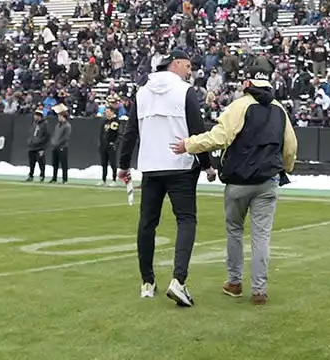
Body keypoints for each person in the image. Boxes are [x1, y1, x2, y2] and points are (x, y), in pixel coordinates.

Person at [171, 62, 297, 305]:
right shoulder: (279, 109)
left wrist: (189, 144)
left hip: (239, 181)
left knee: (235, 231)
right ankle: (259, 291)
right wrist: (285, 167)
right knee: (261, 236)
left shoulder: (240, 106)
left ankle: (235, 282)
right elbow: (290, 147)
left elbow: (220, 137)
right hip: (268, 181)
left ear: (247, 82)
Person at [117, 49, 215, 307]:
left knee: (147, 223)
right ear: (177, 63)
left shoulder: (142, 92)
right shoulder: (185, 92)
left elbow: (130, 133)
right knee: (186, 220)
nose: (190, 70)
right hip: (181, 166)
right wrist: (207, 165)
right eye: (188, 65)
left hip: (151, 166)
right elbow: (197, 131)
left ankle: (147, 282)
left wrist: (123, 165)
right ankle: (178, 280)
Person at [99, 108, 121, 185]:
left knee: (113, 163)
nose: (106, 113)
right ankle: (103, 179)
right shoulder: (104, 122)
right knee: (104, 163)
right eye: (106, 112)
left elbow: (119, 134)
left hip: (111, 146)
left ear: (112, 112)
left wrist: (115, 144)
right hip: (103, 146)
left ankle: (114, 179)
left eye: (108, 111)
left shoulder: (115, 122)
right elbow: (101, 134)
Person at [25, 110, 49, 182]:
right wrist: (30, 141)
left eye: (37, 116)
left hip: (40, 147)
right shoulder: (34, 123)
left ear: (40, 117)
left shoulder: (45, 124)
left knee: (41, 162)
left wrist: (41, 143)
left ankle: (42, 175)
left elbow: (46, 136)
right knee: (31, 162)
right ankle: (31, 175)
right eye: (35, 115)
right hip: (32, 146)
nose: (35, 117)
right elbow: (31, 133)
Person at [49, 108, 71, 183]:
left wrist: (58, 143)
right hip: (55, 147)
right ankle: (54, 178)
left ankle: (65, 179)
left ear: (63, 117)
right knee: (55, 164)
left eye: (60, 116)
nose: (58, 117)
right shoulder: (58, 125)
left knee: (63, 164)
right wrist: (53, 142)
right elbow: (55, 134)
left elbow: (66, 137)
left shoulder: (67, 126)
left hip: (62, 147)